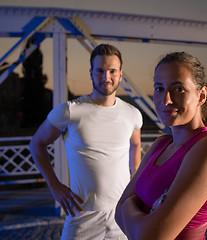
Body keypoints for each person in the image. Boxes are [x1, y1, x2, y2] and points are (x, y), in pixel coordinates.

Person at [29, 43, 143, 240]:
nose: (106, 77)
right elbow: (36, 144)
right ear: (91, 73)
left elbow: (136, 145)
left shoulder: (133, 114)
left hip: (122, 214)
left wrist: (137, 185)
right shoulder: (70, 111)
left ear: (120, 74)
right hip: (83, 216)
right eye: (100, 71)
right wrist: (55, 185)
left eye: (112, 71)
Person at [115, 52, 207, 240]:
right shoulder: (161, 144)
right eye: (159, 89)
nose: (166, 100)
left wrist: (128, 205)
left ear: (201, 96)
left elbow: (150, 236)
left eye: (179, 89)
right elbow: (117, 215)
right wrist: (135, 219)